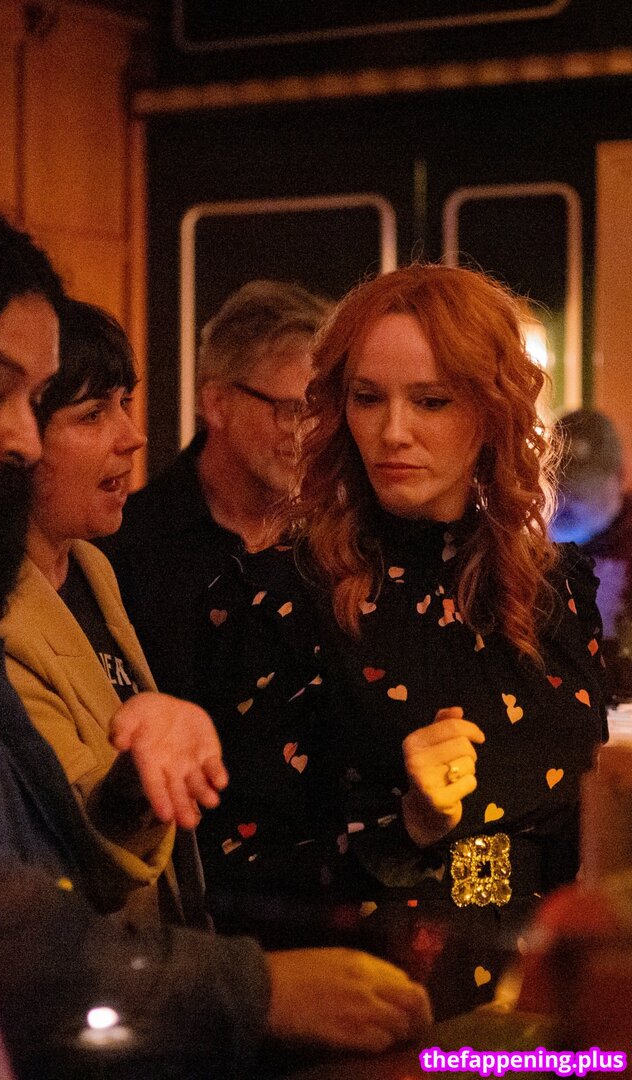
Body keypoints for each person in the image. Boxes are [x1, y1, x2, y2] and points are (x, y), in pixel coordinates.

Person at [0, 205, 431, 1078]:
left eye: (35, 400)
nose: (23, 438)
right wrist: (256, 990)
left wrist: (138, 781)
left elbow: (51, 859)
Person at [198, 264, 607, 1019]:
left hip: (551, 1002)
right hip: (379, 1011)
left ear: (490, 411)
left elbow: (586, 825)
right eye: (367, 398)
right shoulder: (281, 594)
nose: (392, 432)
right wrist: (405, 825)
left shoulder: (553, 585)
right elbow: (232, 872)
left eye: (430, 401)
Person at [0, 299, 220, 927]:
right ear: (16, 436)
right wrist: (139, 775)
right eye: (93, 414)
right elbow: (79, 839)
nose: (132, 435)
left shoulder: (91, 565)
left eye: (125, 403)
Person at [101, 279, 330, 703]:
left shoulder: (341, 543)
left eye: (322, 410)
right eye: (292, 409)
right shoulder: (123, 548)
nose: (308, 433)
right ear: (217, 403)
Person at [551, 407, 632, 701]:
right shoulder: (524, 544)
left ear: (620, 478)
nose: (564, 500)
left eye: (582, 489)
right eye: (557, 484)